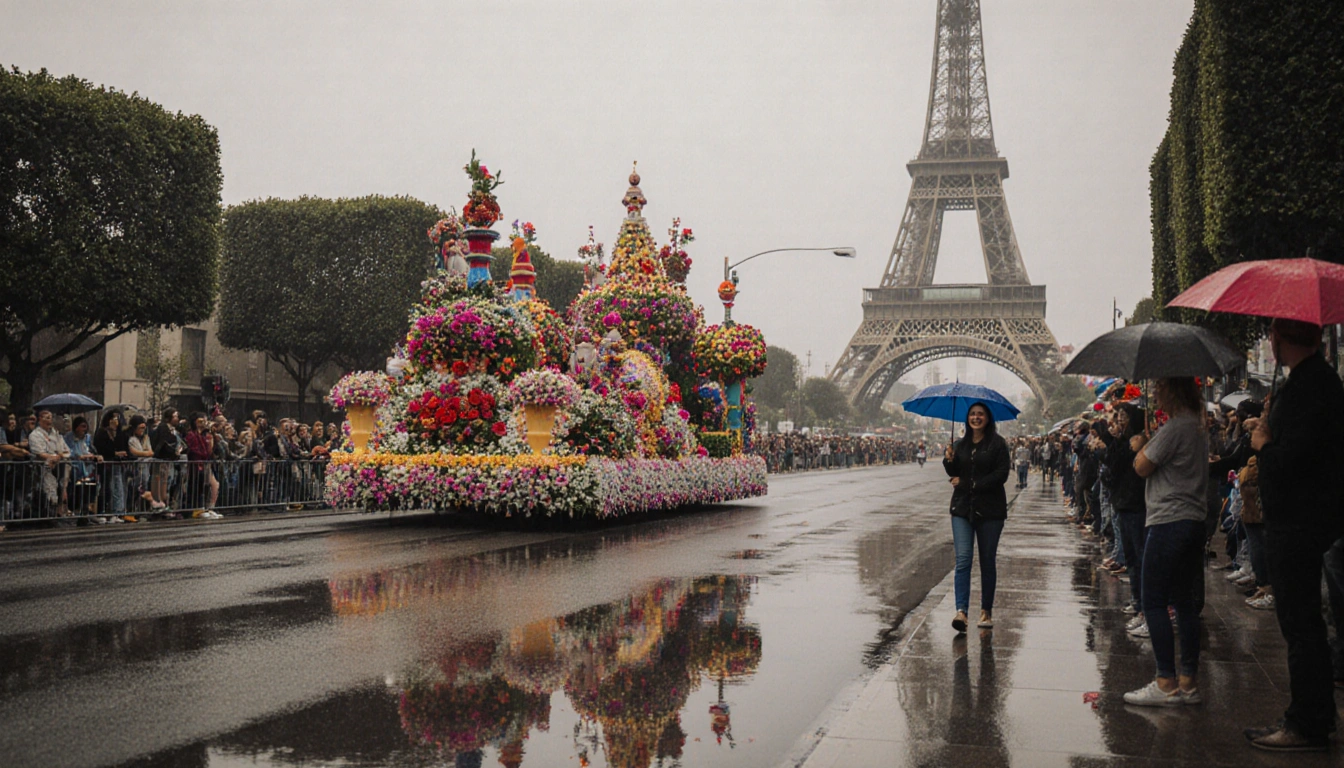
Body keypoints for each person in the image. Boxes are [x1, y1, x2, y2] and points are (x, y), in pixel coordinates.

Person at [1241, 318, 1344, 752]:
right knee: (1302, 625)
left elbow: (1291, 460)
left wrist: (1263, 441)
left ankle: (1307, 722)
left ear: (1279, 339)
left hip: (1297, 522)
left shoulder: (1309, 387)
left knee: (1301, 625)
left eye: (1272, 335)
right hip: (1304, 519)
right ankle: (1311, 715)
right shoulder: (1313, 382)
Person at [1122, 377, 1207, 708]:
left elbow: (1142, 466)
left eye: (1159, 388)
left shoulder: (1174, 428)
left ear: (1174, 390)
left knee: (1153, 600)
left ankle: (1165, 681)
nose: (1155, 393)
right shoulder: (1197, 426)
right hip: (1193, 521)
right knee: (1184, 602)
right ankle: (1188, 681)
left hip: (1168, 520)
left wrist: (1143, 443)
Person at [942, 402, 1011, 633]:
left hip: (990, 511)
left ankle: (985, 610)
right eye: (972, 414)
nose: (976, 417)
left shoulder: (998, 445)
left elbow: (1001, 475)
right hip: (962, 509)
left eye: (980, 414)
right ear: (966, 418)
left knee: (987, 561)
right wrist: (948, 460)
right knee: (963, 560)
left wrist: (970, 484)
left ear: (988, 418)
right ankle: (961, 611)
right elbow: (954, 474)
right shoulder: (959, 445)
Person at [1096, 403, 1147, 628]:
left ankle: (1144, 607)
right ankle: (1137, 602)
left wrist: (1112, 441)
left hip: (1134, 504)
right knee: (1132, 558)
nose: (1120, 421)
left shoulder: (1137, 442)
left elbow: (1119, 464)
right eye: (1119, 416)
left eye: (1124, 416)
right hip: (1123, 502)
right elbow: (1112, 463)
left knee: (1138, 556)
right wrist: (1112, 440)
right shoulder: (1125, 441)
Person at [63, 416, 100, 520]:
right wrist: (80, 456)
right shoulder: (68, 437)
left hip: (88, 469)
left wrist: (95, 456)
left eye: (85, 427)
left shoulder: (87, 438)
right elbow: (68, 451)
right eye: (82, 427)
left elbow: (91, 449)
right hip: (75, 468)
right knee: (77, 490)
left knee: (89, 489)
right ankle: (75, 510)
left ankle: (86, 510)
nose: (84, 429)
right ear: (76, 427)